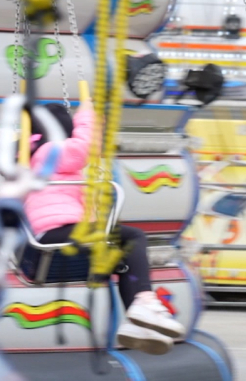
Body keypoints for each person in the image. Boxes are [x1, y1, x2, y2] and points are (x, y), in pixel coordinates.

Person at [25, 100, 185, 355]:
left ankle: (137, 322)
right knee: (132, 238)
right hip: (55, 233)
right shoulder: (46, 152)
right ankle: (143, 302)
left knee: (123, 258)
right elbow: (84, 148)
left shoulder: (37, 158)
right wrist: (87, 117)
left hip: (62, 232)